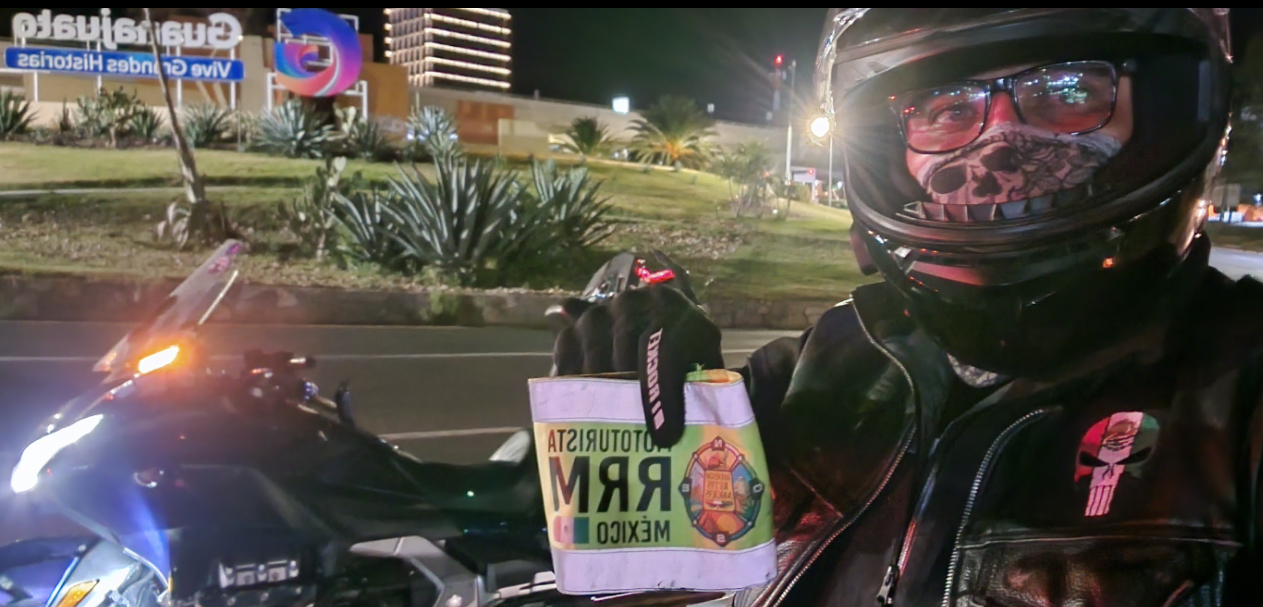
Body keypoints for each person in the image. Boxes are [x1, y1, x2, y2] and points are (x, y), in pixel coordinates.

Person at [551, 8, 1261, 606]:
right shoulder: (824, 362)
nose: (999, 141)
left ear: (1164, 111)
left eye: (1066, 90)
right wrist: (617, 436)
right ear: (895, 156)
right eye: (949, 110)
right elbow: (653, 579)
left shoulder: (1240, 395)